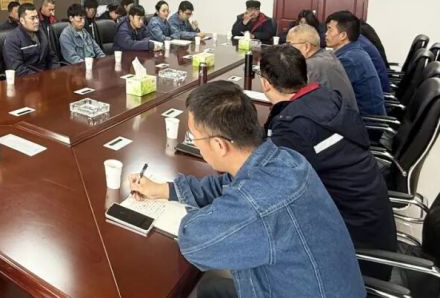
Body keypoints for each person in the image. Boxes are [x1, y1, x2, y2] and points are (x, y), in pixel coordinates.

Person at [129, 81, 365, 298]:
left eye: (194, 137)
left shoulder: (258, 204)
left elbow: (194, 241)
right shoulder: (283, 159)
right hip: (316, 285)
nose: (195, 144)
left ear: (219, 145)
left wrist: (207, 213)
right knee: (211, 288)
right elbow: (227, 185)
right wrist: (165, 190)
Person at [259, 44, 397, 280]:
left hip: (349, 249)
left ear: (265, 83)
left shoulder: (294, 125)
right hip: (373, 228)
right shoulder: (327, 98)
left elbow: (269, 191)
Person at [325, 11, 385, 116]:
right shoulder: (354, 51)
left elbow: (330, 93)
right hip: (361, 114)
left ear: (343, 35)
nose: (326, 33)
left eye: (330, 29)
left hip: (365, 121)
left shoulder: (349, 60)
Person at [287, 24, 358, 112]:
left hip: (337, 118)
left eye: (289, 44)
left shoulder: (311, 65)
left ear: (307, 47)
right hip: (344, 115)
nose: (286, 49)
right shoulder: (328, 55)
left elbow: (294, 98)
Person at [3, 3, 59, 77]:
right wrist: (41, 76)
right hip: (28, 79)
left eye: (37, 17)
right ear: (22, 20)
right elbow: (17, 69)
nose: (36, 21)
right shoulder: (12, 39)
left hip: (46, 76)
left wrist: (55, 72)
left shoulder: (42, 32)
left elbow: (52, 56)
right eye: (32, 18)